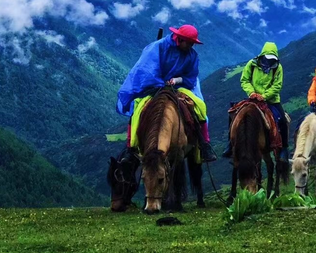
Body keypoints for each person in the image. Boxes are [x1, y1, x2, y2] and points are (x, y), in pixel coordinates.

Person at [116, 24, 217, 162]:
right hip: (154, 85)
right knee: (137, 109)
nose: (191, 46)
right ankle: (130, 147)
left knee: (200, 106)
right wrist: (160, 84)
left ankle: (205, 144)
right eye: (189, 43)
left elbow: (192, 76)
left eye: (193, 43)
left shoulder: (192, 55)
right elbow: (147, 69)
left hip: (179, 86)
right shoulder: (158, 47)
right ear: (180, 39)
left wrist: (177, 80)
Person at [222, 42, 288, 160]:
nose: (269, 61)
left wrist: (264, 96)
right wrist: (252, 92)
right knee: (233, 112)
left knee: (282, 120)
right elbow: (245, 80)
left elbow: (277, 85)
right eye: (267, 58)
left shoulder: (278, 68)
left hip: (271, 100)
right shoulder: (252, 64)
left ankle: (284, 148)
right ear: (262, 55)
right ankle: (231, 143)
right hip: (253, 98)